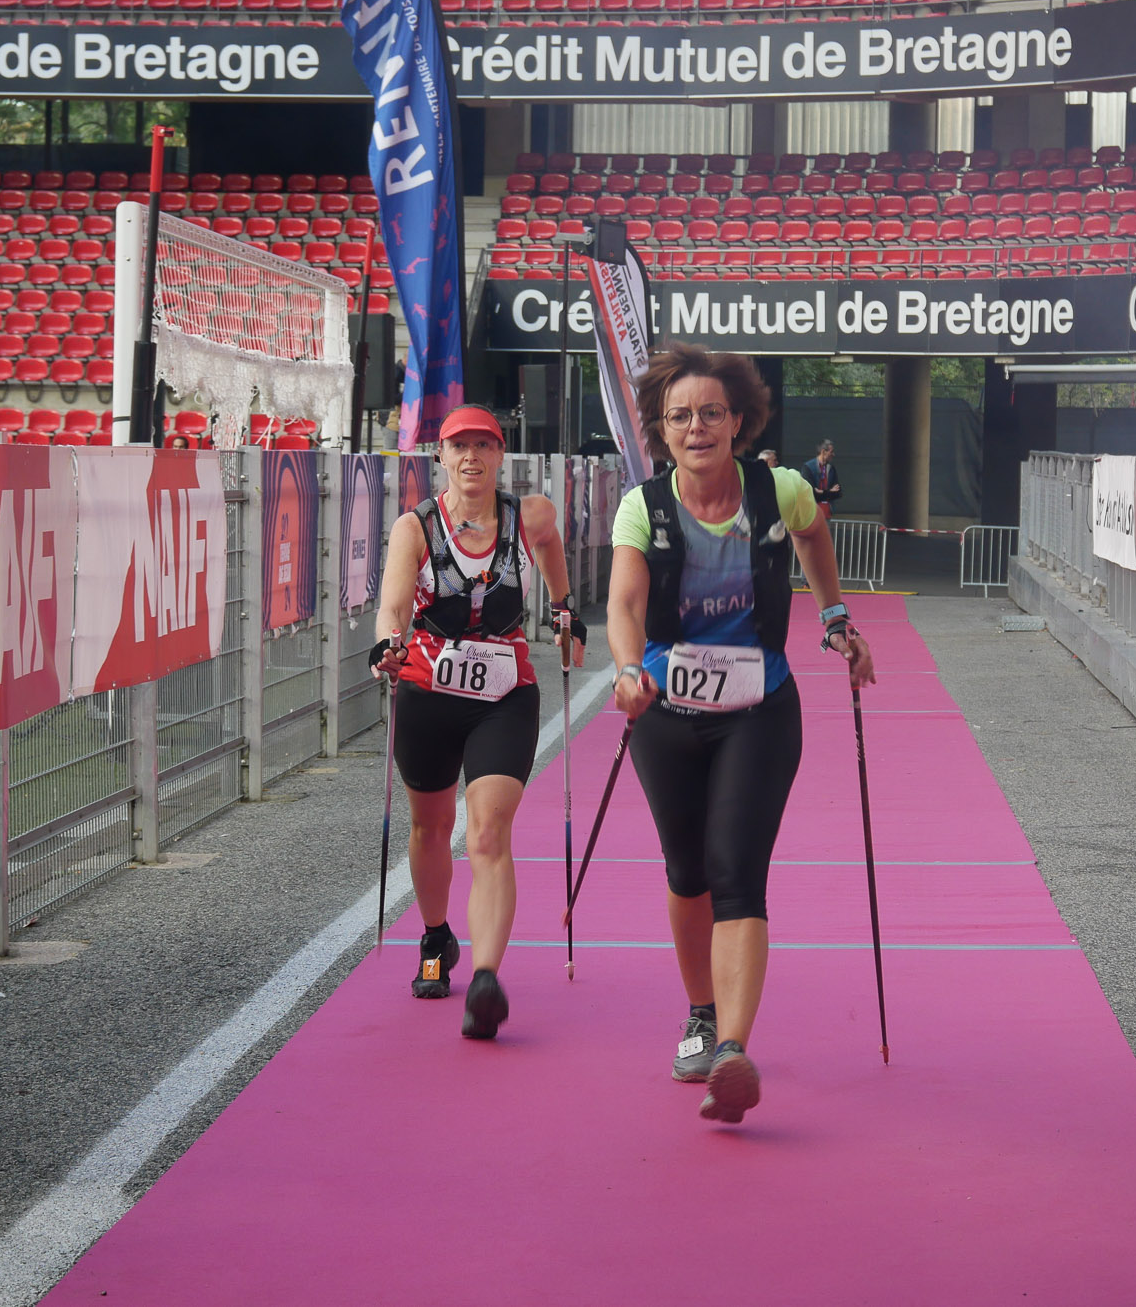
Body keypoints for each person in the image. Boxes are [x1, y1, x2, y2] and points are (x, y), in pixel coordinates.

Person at [608, 345, 876, 1124]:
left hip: (760, 711)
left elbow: (814, 537)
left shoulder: (780, 489)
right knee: (687, 871)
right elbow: (625, 604)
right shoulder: (643, 507)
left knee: (736, 872)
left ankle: (730, 1048)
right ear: (662, 429)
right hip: (666, 713)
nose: (697, 428)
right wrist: (626, 670)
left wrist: (835, 616)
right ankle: (701, 1010)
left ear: (737, 421)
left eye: (711, 413)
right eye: (680, 416)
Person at [370, 405, 586, 1039]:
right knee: (432, 827)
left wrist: (565, 608)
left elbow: (551, 550)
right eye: (459, 446)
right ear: (440, 456)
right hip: (427, 692)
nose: (471, 457)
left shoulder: (530, 517)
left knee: (488, 831)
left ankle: (487, 978)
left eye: (484, 446)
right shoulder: (415, 528)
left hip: (504, 694)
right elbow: (392, 607)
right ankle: (437, 937)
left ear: (499, 455)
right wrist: (388, 646)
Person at [801, 439, 841, 511]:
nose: (833, 454)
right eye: (831, 452)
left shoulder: (831, 468)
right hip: (812, 512)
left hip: (827, 512)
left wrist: (822, 492)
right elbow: (811, 493)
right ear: (823, 452)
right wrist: (830, 491)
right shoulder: (808, 467)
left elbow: (838, 493)